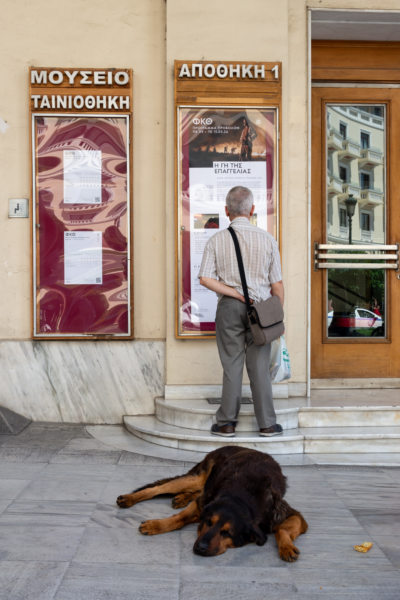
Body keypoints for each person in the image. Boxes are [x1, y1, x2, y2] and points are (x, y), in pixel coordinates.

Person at [198, 186, 284, 438]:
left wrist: (234, 293)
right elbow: (277, 285)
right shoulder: (268, 240)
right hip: (261, 309)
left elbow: (205, 278)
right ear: (252, 210)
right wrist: (275, 316)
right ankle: (267, 424)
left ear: (226, 211)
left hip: (228, 307)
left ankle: (226, 423)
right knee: (259, 367)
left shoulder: (216, 240)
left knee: (231, 365)